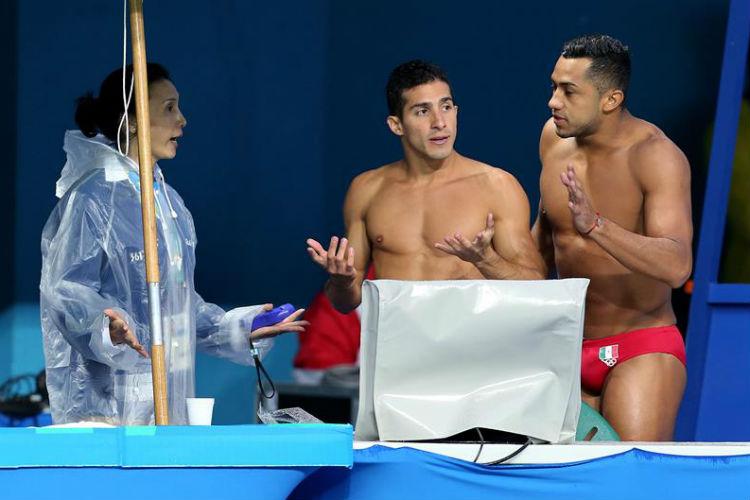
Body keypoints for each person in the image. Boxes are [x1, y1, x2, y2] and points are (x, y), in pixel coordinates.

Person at [40, 64, 308, 425]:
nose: (182, 120)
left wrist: (239, 328)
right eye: (168, 108)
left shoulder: (169, 204)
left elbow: (178, 306)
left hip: (167, 402)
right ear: (132, 121)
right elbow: (66, 292)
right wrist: (105, 327)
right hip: (106, 413)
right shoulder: (93, 199)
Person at [533, 35, 692, 440]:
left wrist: (596, 227)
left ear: (611, 100)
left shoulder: (655, 156)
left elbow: (677, 265)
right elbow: (545, 249)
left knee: (629, 472)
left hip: (641, 346)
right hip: (568, 346)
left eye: (569, 91)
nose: (553, 101)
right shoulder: (553, 140)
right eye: (553, 86)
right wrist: (488, 259)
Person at [307, 60, 544, 313]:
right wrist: (341, 282)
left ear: (456, 112)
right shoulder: (366, 190)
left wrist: (486, 260)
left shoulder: (497, 187)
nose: (439, 122)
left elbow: (536, 285)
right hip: (396, 336)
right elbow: (346, 302)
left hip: (469, 336)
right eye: (422, 111)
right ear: (396, 125)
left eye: (446, 107)